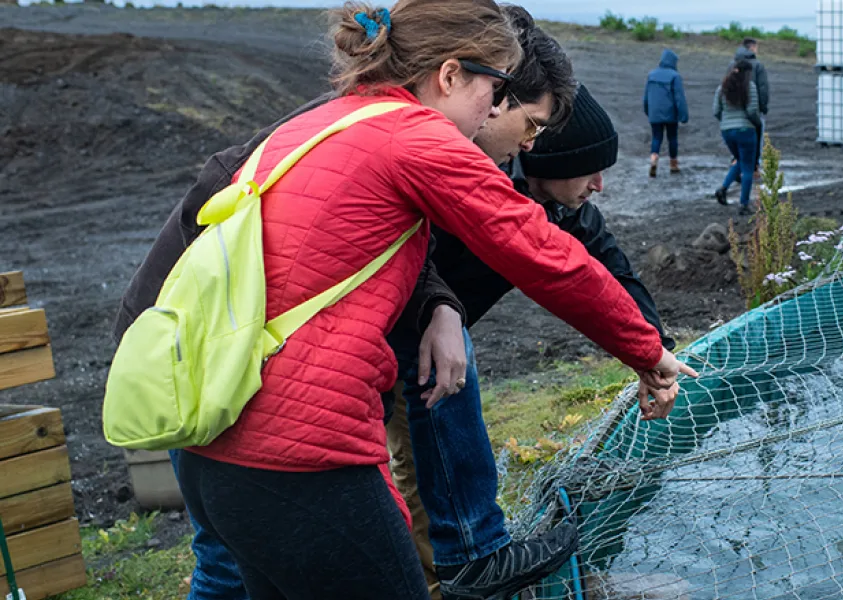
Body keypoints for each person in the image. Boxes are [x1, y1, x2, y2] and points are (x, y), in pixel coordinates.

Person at [111, 0, 694, 597]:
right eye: (491, 91)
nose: (494, 110)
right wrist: (649, 352)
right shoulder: (418, 137)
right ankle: (473, 554)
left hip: (218, 440)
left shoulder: (325, 123)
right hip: (302, 453)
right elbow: (546, 255)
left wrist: (440, 304)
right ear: (449, 75)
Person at [387, 83, 677, 600]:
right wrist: (440, 308)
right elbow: (410, 251)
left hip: (436, 339)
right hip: (395, 337)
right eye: (590, 170)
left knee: (429, 463)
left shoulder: (570, 208)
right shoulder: (484, 184)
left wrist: (656, 349)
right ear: (550, 158)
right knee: (420, 474)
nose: (600, 185)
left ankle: (446, 577)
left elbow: (614, 271)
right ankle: (441, 583)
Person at [713, 60, 762, 216]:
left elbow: (716, 111)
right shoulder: (750, 87)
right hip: (745, 130)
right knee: (748, 166)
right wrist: (757, 124)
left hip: (727, 131)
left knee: (740, 159)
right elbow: (752, 111)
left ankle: (723, 189)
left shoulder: (722, 87)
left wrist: (726, 122)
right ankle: (744, 204)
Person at [643, 48, 689, 177]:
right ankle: (673, 164)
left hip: (654, 113)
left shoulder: (651, 75)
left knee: (656, 137)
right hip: (670, 114)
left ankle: (653, 158)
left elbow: (646, 96)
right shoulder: (675, 76)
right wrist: (683, 116)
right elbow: (679, 98)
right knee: (672, 138)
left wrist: (647, 110)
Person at [732, 37, 769, 170]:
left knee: (737, 135)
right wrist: (763, 107)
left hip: (734, 107)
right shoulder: (757, 65)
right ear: (752, 47)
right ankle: (754, 166)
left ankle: (736, 161)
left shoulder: (732, 64)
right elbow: (763, 88)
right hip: (753, 107)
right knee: (756, 135)